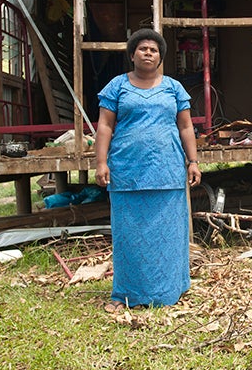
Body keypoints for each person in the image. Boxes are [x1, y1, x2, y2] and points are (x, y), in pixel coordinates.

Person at [94, 28, 202, 312]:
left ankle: (169, 290)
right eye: (142, 48)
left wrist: (193, 161)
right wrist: (101, 162)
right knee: (128, 233)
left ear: (161, 57)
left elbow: (186, 126)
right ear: (132, 55)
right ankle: (125, 293)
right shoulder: (117, 87)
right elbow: (105, 126)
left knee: (169, 234)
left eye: (154, 50)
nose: (148, 53)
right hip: (127, 170)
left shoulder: (173, 88)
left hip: (166, 171)